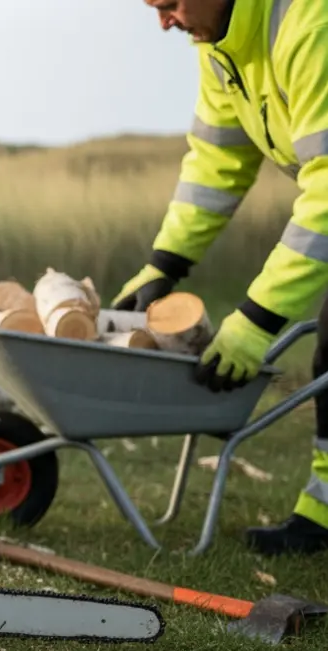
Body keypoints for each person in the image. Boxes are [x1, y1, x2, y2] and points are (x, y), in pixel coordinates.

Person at [115, 0, 328, 554]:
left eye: (169, 5)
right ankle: (324, 514)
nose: (164, 22)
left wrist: (255, 321)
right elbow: (216, 162)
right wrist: (165, 264)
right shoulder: (220, 48)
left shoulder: (312, 23)